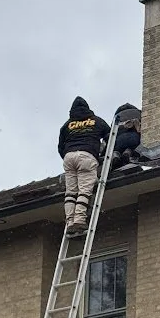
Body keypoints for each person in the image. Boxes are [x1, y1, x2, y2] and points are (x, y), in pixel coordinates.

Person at [58, 97, 110, 236]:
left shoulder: (67, 125)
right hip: (87, 155)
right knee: (84, 191)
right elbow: (110, 137)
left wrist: (68, 154)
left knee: (71, 192)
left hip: (69, 157)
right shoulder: (96, 121)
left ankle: (69, 222)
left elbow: (60, 147)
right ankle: (79, 221)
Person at [112, 103, 142, 169]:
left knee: (117, 149)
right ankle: (128, 152)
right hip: (134, 138)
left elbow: (108, 138)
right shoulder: (139, 115)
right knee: (132, 147)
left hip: (119, 141)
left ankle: (116, 155)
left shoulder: (116, 122)